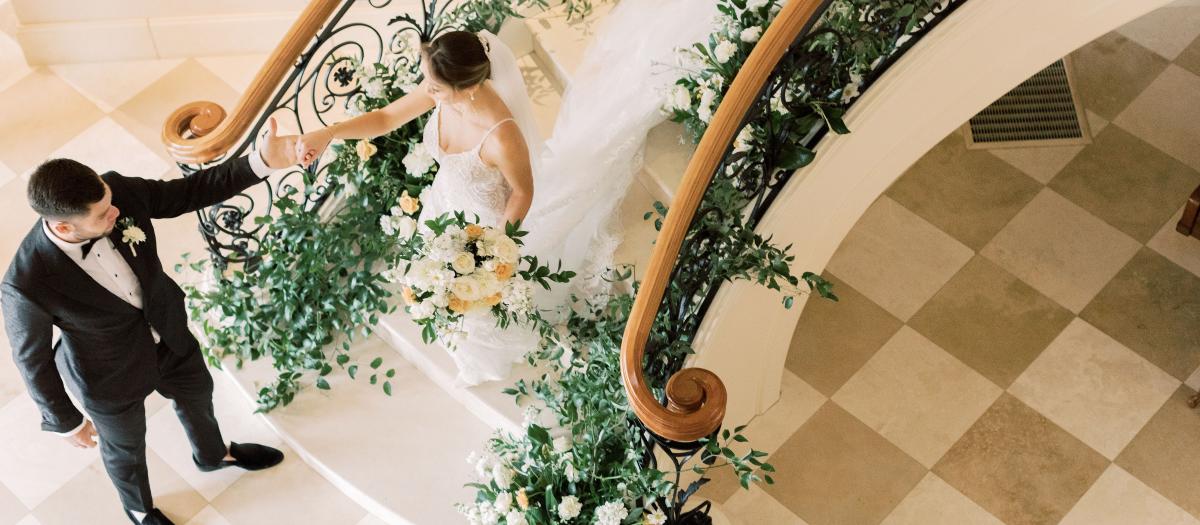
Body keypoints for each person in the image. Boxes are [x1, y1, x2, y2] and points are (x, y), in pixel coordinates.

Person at [1, 119, 296, 525]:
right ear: (64, 226)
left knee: (199, 395)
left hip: (169, 334)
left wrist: (259, 162)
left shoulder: (115, 191)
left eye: (110, 201)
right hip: (107, 377)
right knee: (126, 450)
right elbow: (31, 360)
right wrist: (66, 422)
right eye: (104, 214)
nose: (117, 211)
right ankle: (139, 510)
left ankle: (214, 455)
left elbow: (189, 192)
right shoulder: (26, 282)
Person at [296, 30, 544, 385]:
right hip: (443, 206)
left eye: (436, 87)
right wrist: (329, 132)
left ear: (468, 87)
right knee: (434, 284)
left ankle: (483, 358)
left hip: (483, 228)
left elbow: (522, 192)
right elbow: (384, 119)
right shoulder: (441, 87)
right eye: (426, 78)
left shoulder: (502, 135)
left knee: (473, 304)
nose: (427, 89)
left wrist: (493, 256)